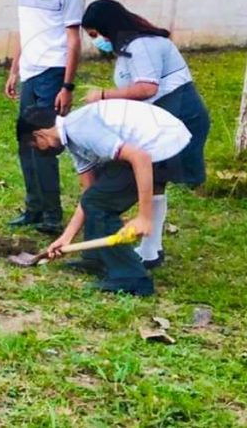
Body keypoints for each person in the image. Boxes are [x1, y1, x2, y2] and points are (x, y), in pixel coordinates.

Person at [80, 0, 211, 269]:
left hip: (179, 116)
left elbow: (147, 88)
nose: (97, 42)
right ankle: (151, 250)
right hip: (159, 117)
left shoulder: (144, 46)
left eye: (95, 35)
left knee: (153, 176)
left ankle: (148, 249)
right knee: (155, 179)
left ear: (107, 27)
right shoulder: (130, 48)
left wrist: (103, 95)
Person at [17, 100, 191, 296]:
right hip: (161, 142)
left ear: (39, 134)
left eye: (35, 145)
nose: (40, 150)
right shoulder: (73, 140)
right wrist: (66, 238)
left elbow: (140, 157)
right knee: (95, 198)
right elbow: (89, 193)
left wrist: (144, 216)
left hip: (167, 145)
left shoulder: (80, 130)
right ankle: (97, 258)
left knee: (99, 203)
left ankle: (132, 278)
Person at [4, 0, 84, 235]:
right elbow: (25, 31)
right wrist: (14, 70)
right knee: (26, 141)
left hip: (53, 72)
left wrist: (67, 86)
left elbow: (73, 40)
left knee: (45, 142)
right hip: (29, 73)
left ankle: (52, 215)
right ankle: (33, 209)